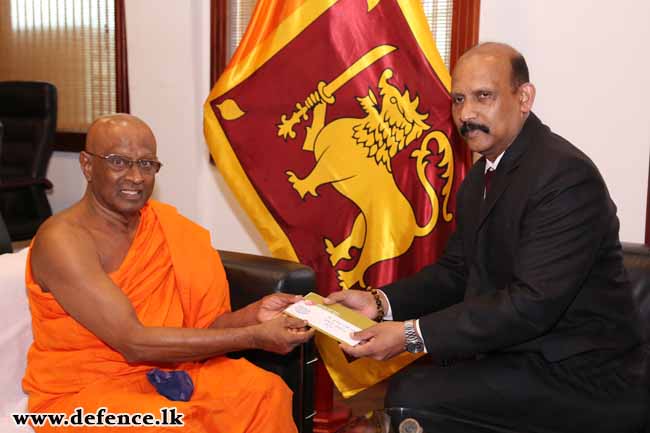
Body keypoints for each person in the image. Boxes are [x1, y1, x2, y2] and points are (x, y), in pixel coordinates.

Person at [326, 42, 647, 432]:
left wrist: (412, 335)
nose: (467, 114)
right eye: (458, 99)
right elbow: (457, 272)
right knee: (416, 385)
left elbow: (533, 304)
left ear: (523, 97)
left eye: (483, 97)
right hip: (521, 354)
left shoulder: (564, 176)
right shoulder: (481, 177)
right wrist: (380, 302)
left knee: (412, 392)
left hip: (585, 373)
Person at [23, 114, 314, 433]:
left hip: (170, 370)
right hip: (85, 395)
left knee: (262, 393)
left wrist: (254, 316)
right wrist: (253, 338)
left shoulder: (166, 229)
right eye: (119, 161)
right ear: (88, 165)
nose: (135, 176)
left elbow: (204, 327)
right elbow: (133, 342)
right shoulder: (63, 240)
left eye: (147, 164)